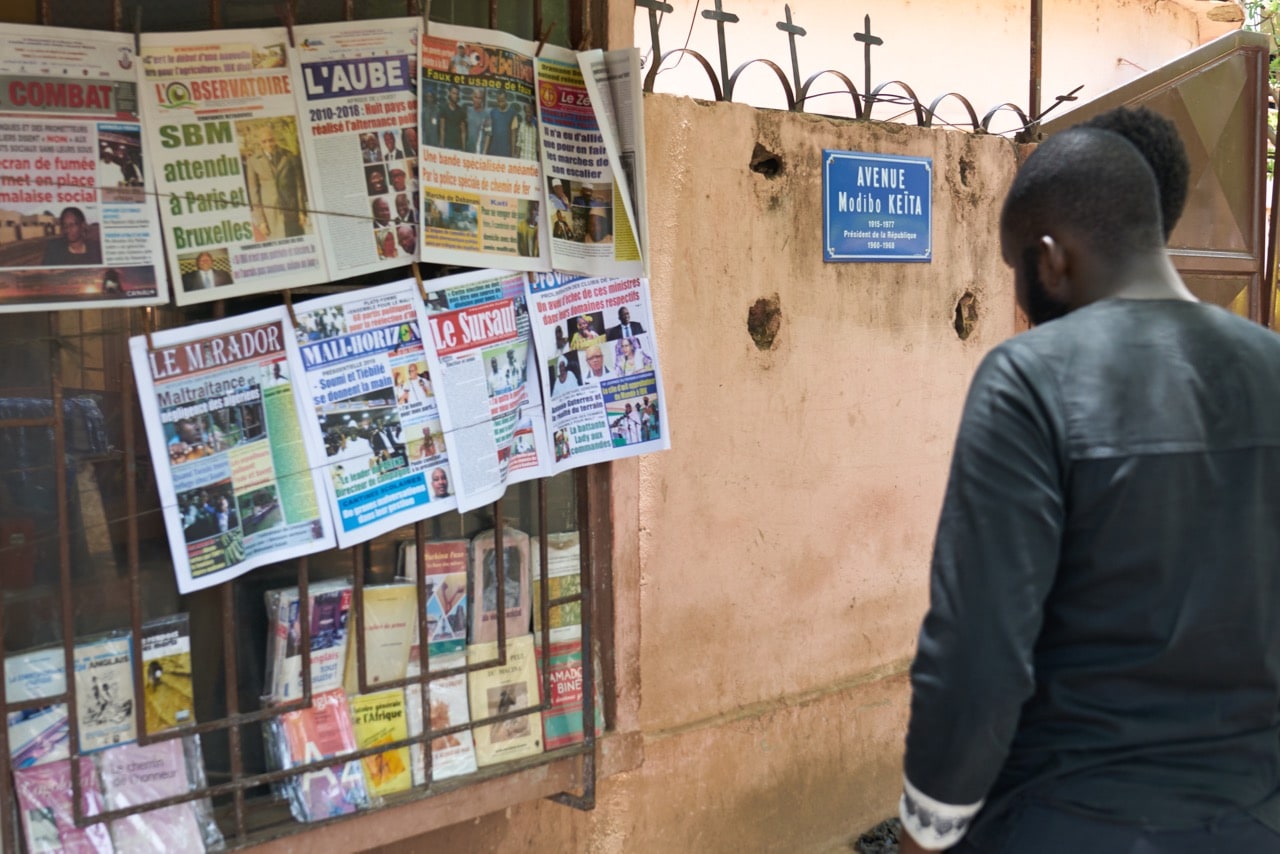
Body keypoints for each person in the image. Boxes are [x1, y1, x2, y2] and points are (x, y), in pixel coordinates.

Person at [899, 123, 1280, 853]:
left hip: (1065, 819)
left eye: (1015, 267)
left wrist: (927, 828)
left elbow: (978, 651)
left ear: (1049, 259)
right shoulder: (1271, 368)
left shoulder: (1029, 381)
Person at [485, 91, 518, 158]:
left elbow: (513, 135)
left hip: (506, 152)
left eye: (502, 100)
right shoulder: (492, 112)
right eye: (499, 101)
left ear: (506, 99)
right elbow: (488, 134)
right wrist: (485, 151)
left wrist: (512, 153)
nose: (500, 103)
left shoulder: (513, 114)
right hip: (492, 151)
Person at [438, 85, 467, 151]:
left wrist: (464, 147)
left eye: (457, 94)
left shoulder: (461, 111)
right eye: (454, 93)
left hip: (458, 146)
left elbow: (463, 132)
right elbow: (442, 128)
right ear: (450, 93)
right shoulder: (444, 109)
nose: (455, 96)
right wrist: (441, 144)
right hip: (447, 145)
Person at [466, 88, 489, 154]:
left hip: (479, 151)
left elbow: (488, 134)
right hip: (467, 150)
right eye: (476, 97)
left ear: (482, 100)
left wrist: (484, 151)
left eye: (480, 98)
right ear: (472, 98)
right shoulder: (468, 111)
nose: (477, 100)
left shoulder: (486, 115)